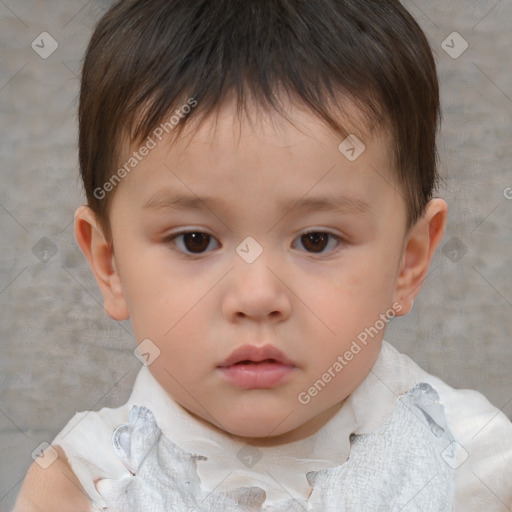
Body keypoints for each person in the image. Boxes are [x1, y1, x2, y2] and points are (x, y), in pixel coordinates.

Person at [14, 0, 512, 510]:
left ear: (409, 261)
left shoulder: (480, 469)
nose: (257, 297)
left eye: (316, 240)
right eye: (195, 241)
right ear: (110, 264)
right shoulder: (80, 487)